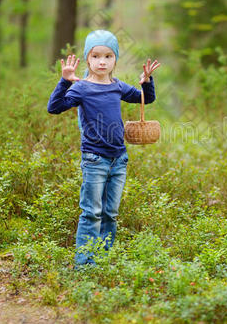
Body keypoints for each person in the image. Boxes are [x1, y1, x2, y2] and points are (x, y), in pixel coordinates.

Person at [47, 30, 160, 266]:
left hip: (119, 159)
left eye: (108, 56)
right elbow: (54, 107)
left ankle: (104, 259)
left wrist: (147, 83)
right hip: (94, 160)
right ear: (87, 59)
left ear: (115, 60)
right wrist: (65, 80)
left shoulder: (117, 86)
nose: (102, 61)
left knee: (110, 214)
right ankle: (85, 263)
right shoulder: (81, 88)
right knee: (92, 213)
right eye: (96, 55)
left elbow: (144, 99)